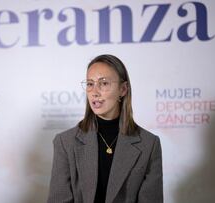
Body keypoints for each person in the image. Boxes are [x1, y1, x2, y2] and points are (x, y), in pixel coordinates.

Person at [47, 54, 163, 203]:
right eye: (90, 84)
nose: (94, 92)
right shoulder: (65, 142)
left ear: (123, 89)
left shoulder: (149, 144)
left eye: (104, 83)